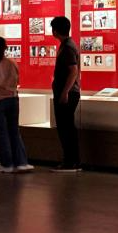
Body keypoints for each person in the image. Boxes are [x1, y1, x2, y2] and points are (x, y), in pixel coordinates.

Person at [0, 37, 34, 174]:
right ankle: (21, 162)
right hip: (12, 100)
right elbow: (17, 81)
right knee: (14, 131)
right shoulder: (12, 63)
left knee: (2, 133)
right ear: (5, 48)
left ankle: (7, 164)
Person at [50, 16, 81, 172]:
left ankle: (70, 162)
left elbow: (73, 71)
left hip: (67, 93)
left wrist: (64, 92)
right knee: (67, 127)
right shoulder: (68, 45)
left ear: (55, 31)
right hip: (67, 92)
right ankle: (72, 160)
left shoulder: (67, 47)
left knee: (65, 128)